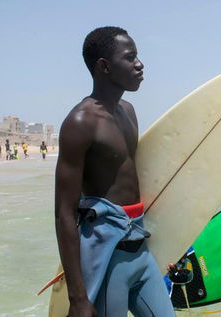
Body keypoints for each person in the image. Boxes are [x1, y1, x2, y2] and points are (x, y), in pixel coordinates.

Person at [55, 26, 174, 317]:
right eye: (130, 57)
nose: (140, 63)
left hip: (141, 249)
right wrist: (78, 299)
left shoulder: (128, 110)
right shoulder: (81, 122)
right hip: (108, 257)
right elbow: (64, 213)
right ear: (105, 66)